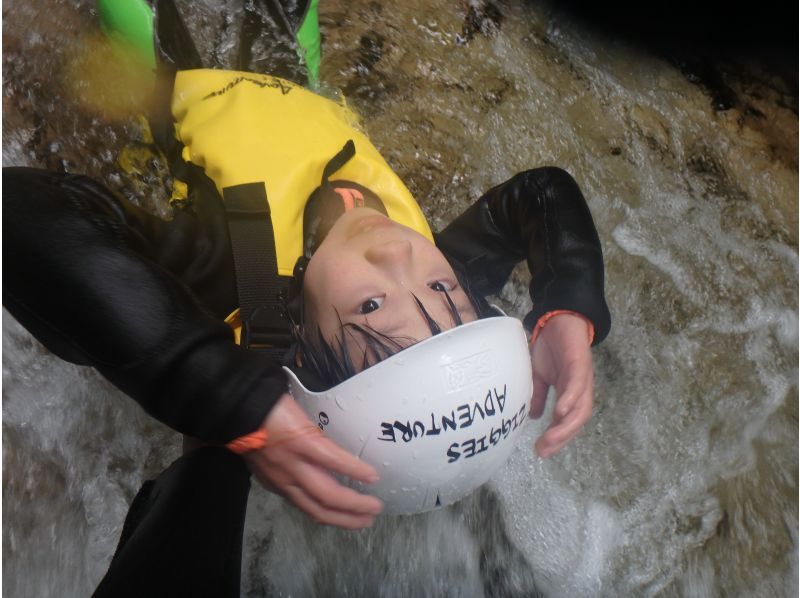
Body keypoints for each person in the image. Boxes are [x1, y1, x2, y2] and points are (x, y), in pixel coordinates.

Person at [2, 1, 610, 595]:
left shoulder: (234, 274)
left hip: (185, 86)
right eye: (444, 284)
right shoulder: (437, 307)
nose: (401, 256)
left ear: (296, 334)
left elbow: (22, 213)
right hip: (297, 92)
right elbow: (539, 194)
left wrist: (224, 394)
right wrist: (567, 301)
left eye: (370, 307)